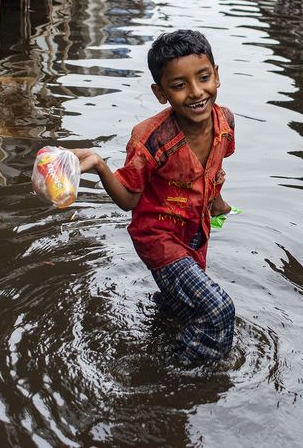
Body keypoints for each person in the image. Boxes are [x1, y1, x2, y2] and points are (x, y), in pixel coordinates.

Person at [72, 29, 236, 363]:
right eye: (179, 85)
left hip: (195, 232)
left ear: (216, 75)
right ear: (160, 93)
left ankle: (159, 344)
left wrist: (218, 203)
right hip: (158, 237)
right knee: (218, 309)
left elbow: (215, 170)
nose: (195, 93)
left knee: (183, 309)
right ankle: (183, 373)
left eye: (203, 78)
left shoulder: (225, 121)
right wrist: (102, 166)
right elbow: (130, 199)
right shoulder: (151, 139)